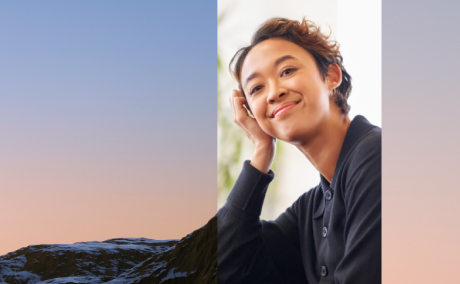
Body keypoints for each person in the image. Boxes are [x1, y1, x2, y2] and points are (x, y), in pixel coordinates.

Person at [217, 17, 381, 284]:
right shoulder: (311, 210)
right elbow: (224, 268)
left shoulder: (377, 157)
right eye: (257, 88)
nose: (273, 93)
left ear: (331, 76)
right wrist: (261, 152)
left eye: (287, 71)